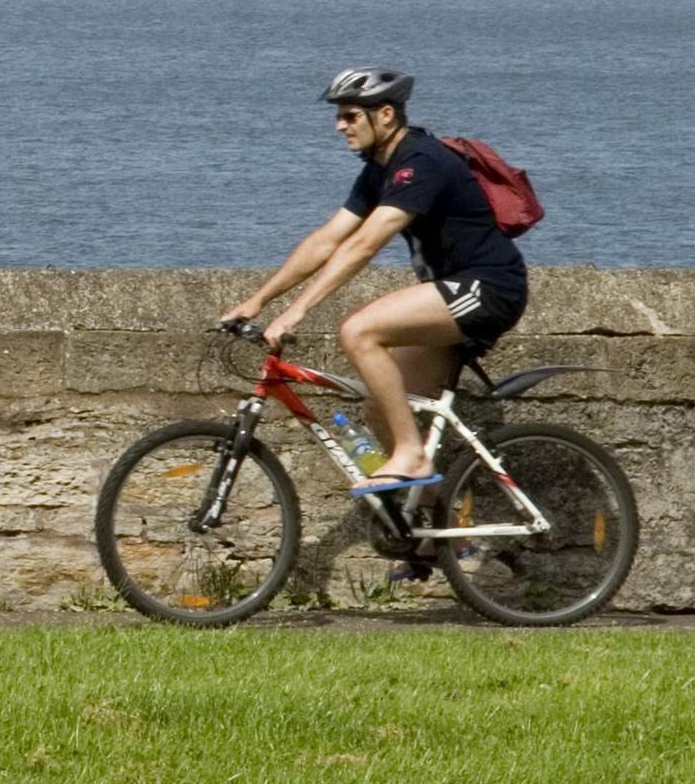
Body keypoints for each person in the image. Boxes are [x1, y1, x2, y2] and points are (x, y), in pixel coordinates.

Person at [222, 66, 532, 492]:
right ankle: (430, 539)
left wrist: (296, 312)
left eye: (349, 116)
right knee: (378, 408)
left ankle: (411, 455)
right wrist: (259, 300)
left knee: (359, 330)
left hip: (487, 288)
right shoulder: (378, 170)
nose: (339, 126)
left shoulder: (421, 162)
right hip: (447, 293)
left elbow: (365, 244)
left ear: (385, 115)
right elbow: (328, 240)